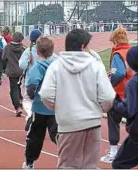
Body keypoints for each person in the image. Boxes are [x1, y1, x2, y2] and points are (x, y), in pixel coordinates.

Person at [40, 29, 116, 169]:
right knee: (90, 165)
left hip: (68, 125)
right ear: (82, 46)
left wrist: (60, 108)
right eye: (88, 46)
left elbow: (45, 94)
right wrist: (99, 109)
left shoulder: (56, 67)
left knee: (67, 165)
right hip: (92, 124)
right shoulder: (96, 66)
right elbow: (108, 96)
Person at [22, 36, 58, 169]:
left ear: (37, 51)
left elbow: (31, 84)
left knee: (35, 137)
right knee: (57, 134)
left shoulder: (38, 67)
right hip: (56, 107)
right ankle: (68, 157)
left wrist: (31, 96)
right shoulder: (58, 65)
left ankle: (30, 163)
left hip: (40, 107)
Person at [100, 26, 134, 164]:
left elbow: (119, 73)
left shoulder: (118, 54)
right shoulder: (131, 51)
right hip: (133, 93)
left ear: (115, 41)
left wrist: (110, 82)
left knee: (113, 120)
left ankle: (113, 153)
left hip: (120, 94)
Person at [19, 29, 58, 131]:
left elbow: (21, 65)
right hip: (47, 81)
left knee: (27, 100)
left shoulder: (28, 51)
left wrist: (29, 64)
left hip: (31, 80)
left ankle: (30, 114)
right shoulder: (51, 54)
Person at [112, 46, 138, 169]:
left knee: (119, 164)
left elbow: (129, 110)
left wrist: (115, 102)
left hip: (137, 134)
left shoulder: (133, 82)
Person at [2, 32, 26, 117]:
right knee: (18, 86)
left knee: (13, 89)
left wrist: (4, 69)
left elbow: (4, 59)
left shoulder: (7, 47)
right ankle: (20, 99)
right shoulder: (24, 48)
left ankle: (18, 107)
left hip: (12, 71)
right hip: (21, 71)